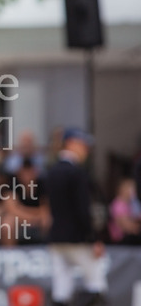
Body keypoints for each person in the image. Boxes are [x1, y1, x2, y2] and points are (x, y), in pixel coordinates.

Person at [46, 128, 107, 306]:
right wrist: (93, 238)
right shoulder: (77, 172)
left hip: (56, 237)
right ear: (71, 143)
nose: (86, 150)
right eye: (83, 145)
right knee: (95, 280)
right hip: (78, 238)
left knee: (61, 287)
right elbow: (83, 209)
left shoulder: (52, 171)